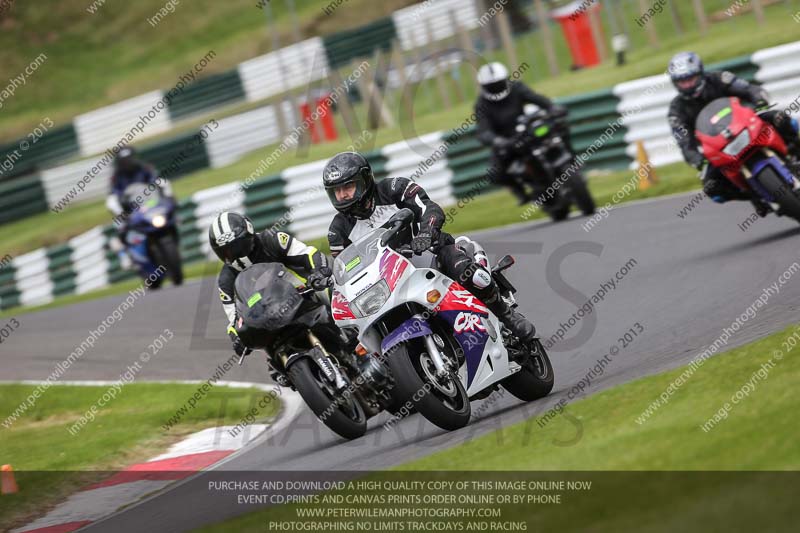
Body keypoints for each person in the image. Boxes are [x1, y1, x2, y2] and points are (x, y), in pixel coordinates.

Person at [322, 151, 536, 341]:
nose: (342, 195)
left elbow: (430, 207)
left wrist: (426, 233)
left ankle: (506, 314)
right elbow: (344, 267)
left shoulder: (393, 188)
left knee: (467, 272)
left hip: (427, 253)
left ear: (365, 179)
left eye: (348, 187)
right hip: (387, 281)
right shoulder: (338, 230)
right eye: (336, 191)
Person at [667, 51, 800, 216]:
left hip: (744, 124)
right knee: (712, 187)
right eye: (682, 81)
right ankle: (753, 194)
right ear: (675, 83)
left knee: (781, 119)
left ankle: (796, 153)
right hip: (719, 146)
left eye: (690, 79)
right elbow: (684, 142)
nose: (687, 85)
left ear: (700, 73)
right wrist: (697, 160)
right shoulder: (676, 110)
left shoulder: (719, 78)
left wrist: (759, 102)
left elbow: (749, 89)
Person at [209, 212, 333, 360]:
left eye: (237, 247)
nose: (234, 255)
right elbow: (233, 318)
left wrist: (318, 272)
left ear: (249, 235)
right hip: (266, 319)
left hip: (302, 293)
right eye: (226, 252)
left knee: (329, 291)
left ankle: (356, 339)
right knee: (270, 362)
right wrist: (236, 337)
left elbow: (309, 254)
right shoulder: (225, 280)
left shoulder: (272, 240)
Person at [474, 61, 567, 205]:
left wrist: (552, 107)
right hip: (506, 140)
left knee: (559, 127)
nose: (495, 88)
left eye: (498, 83)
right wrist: (495, 140)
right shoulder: (481, 104)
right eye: (491, 86)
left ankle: (569, 159)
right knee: (495, 174)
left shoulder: (516, 88)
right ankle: (520, 191)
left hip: (527, 128)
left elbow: (535, 98)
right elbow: (483, 129)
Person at [106, 146, 173, 268]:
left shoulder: (144, 168)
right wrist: (120, 211)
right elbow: (113, 197)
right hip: (129, 209)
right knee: (119, 225)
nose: (128, 162)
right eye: (124, 160)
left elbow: (158, 181)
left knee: (170, 214)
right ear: (119, 162)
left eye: (129, 159)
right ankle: (125, 255)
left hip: (150, 204)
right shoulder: (116, 177)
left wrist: (168, 197)